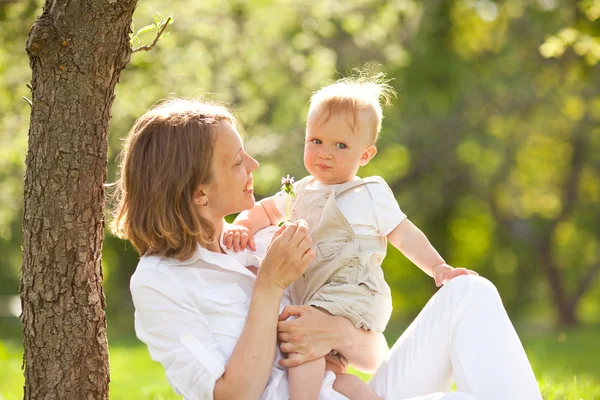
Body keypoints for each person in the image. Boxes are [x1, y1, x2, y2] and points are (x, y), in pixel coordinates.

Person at [111, 97, 543, 400]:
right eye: (237, 161)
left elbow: (374, 357)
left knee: (470, 293)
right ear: (200, 194)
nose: (254, 167)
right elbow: (232, 395)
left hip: (349, 391)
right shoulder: (161, 281)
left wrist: (335, 332)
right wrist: (268, 286)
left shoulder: (267, 239)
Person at [223, 73, 475, 400]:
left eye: (340, 145)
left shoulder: (368, 193)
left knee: (302, 345)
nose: (325, 152)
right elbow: (266, 210)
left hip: (351, 292)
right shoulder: (297, 190)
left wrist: (437, 267)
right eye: (316, 141)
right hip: (316, 294)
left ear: (366, 155)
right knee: (334, 375)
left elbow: (403, 233)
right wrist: (242, 225)